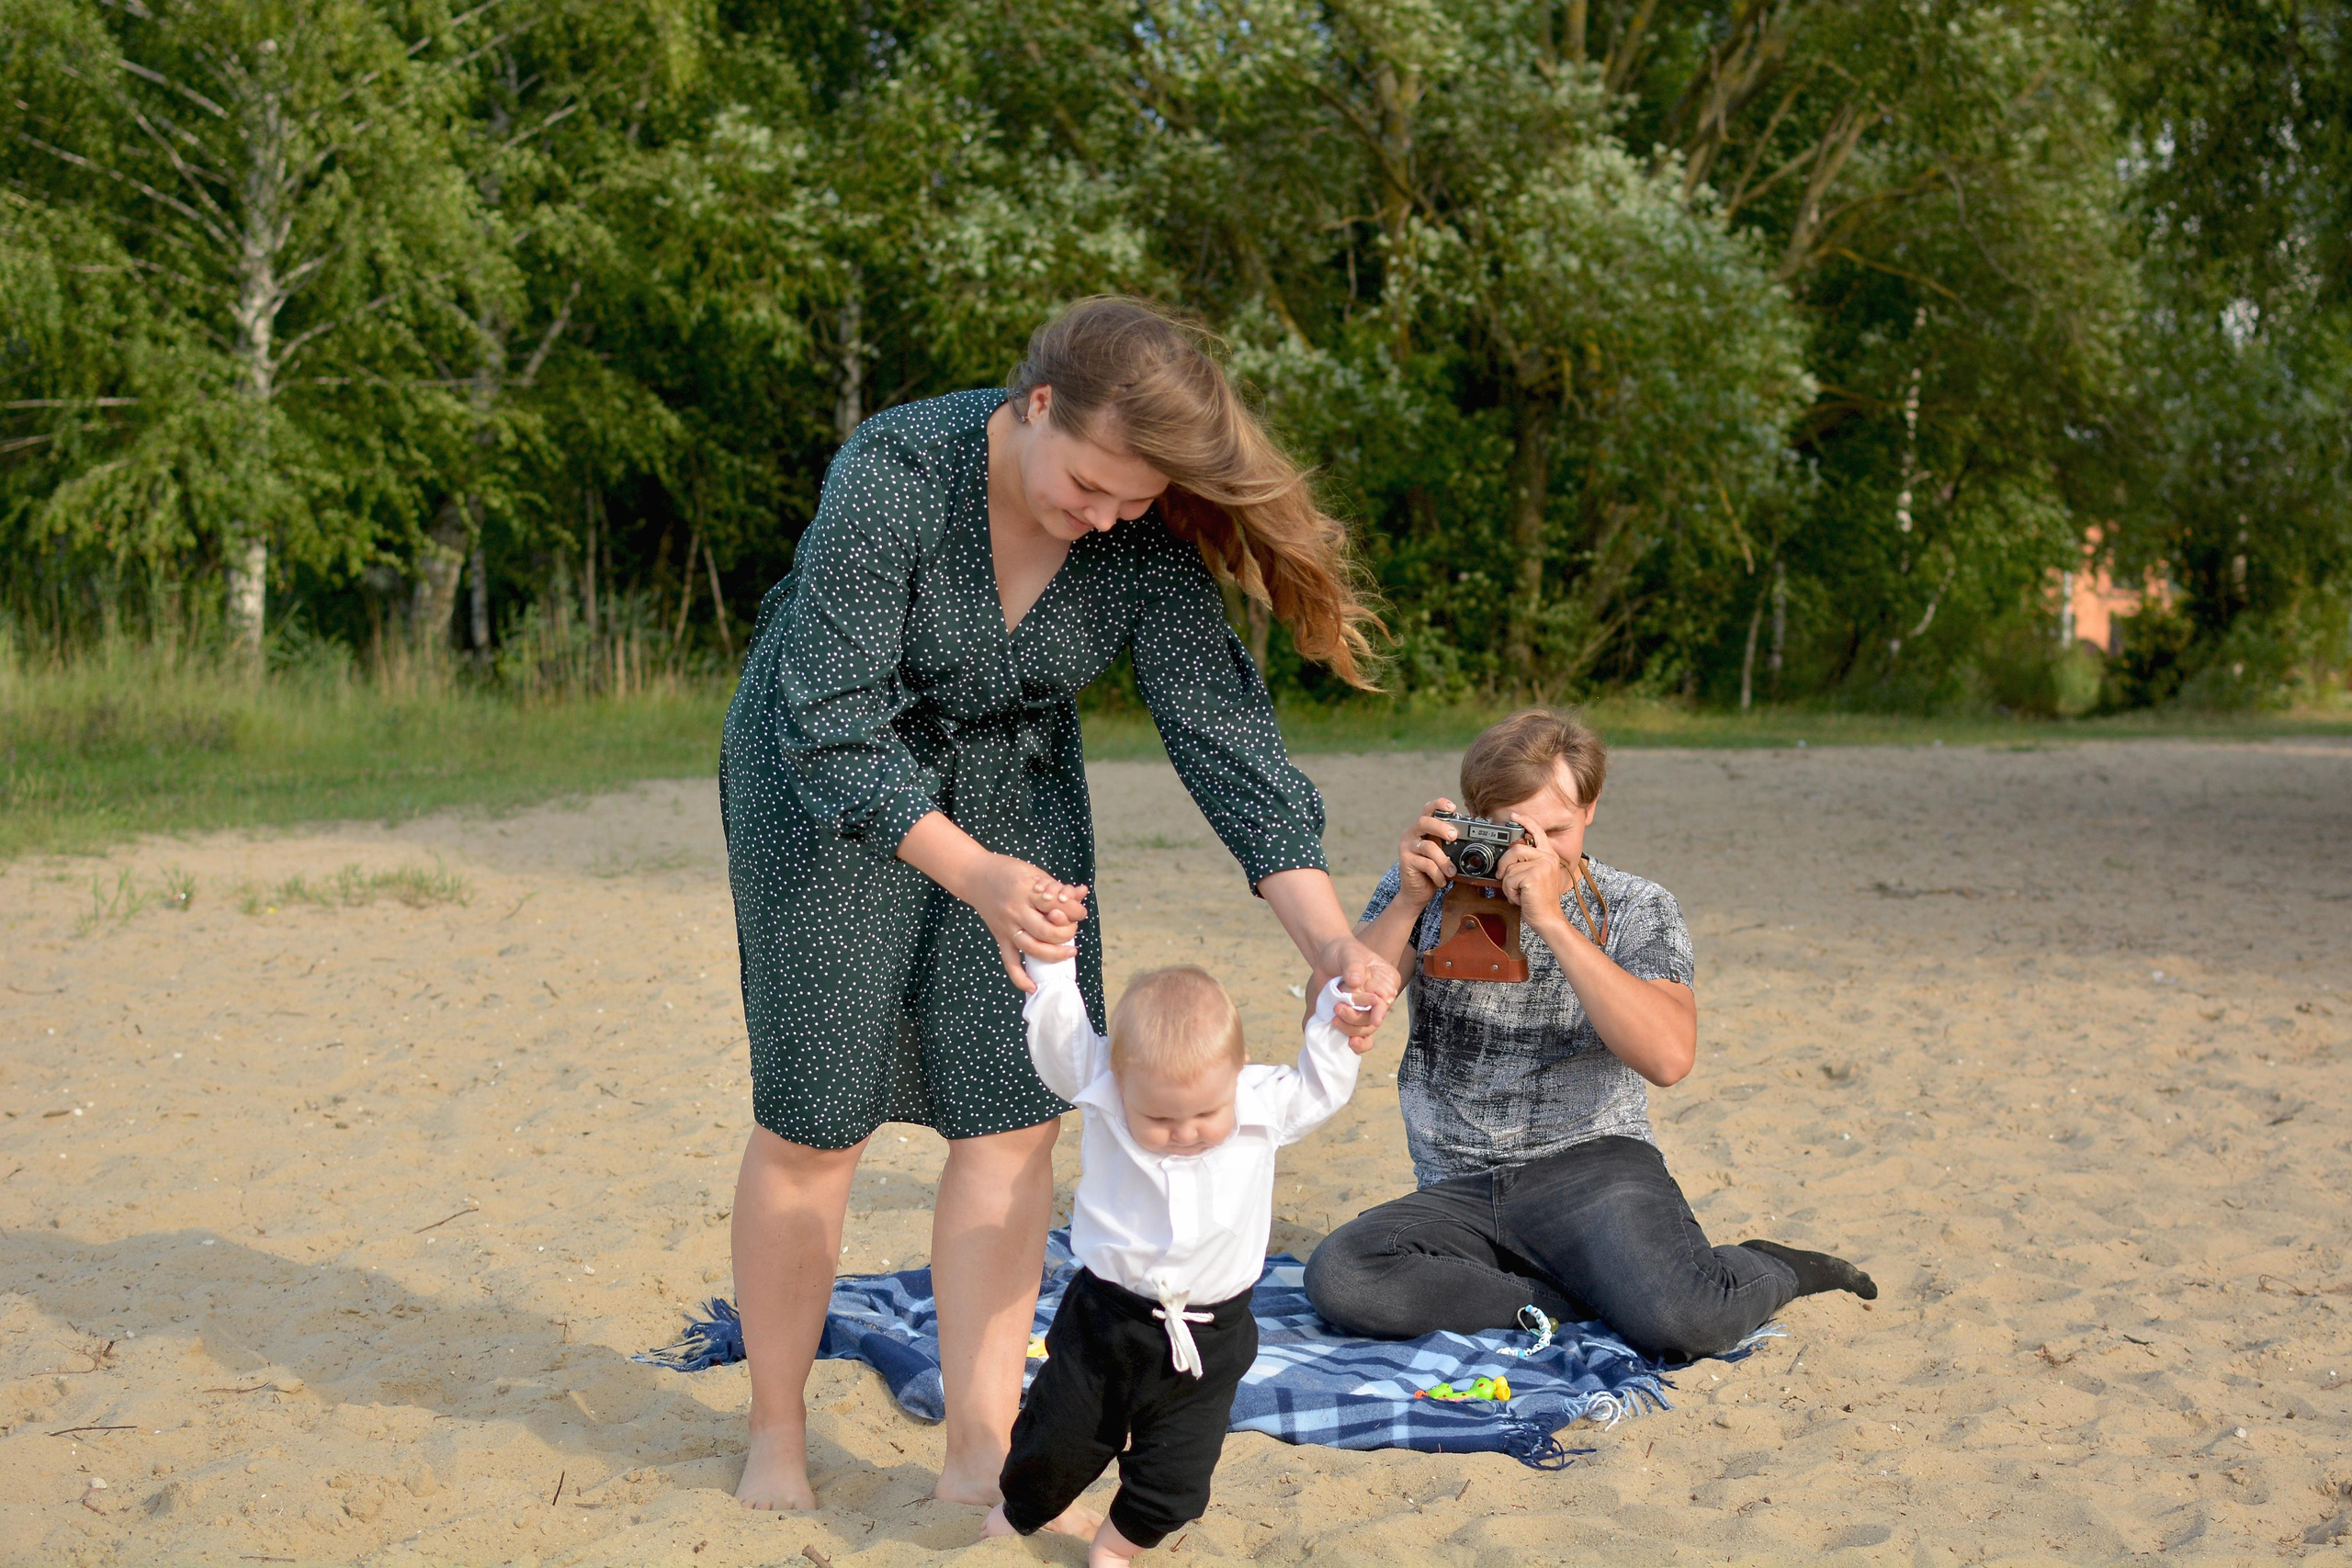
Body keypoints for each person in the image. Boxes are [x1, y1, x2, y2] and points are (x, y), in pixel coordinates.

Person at [718, 296, 1402, 1512]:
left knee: (1014, 1116)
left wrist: (1329, 941)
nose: (1104, 518)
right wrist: (974, 873)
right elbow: (829, 724)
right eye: (1089, 485)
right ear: (1035, 404)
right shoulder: (895, 473)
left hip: (1015, 783)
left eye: (1131, 502)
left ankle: (979, 1449)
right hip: (826, 783)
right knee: (818, 1119)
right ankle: (776, 1430)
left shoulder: (1136, 524)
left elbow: (1226, 741)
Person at [1304, 708, 1875, 1361]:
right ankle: (1583, 1296)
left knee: (1686, 1320)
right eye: (1514, 832)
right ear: (1473, 819)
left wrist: (1552, 920)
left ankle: (1773, 1266)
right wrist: (1407, 901)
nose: (1538, 852)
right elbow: (1327, 1015)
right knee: (1344, 1275)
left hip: (1594, 1172)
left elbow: (1669, 1057)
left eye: (1556, 830)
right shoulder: (1427, 888)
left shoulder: (1637, 905)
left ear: (1591, 808)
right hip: (1456, 1185)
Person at [985, 958, 1365, 1564]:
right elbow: (1060, 1042)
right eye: (1159, 1118)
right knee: (1053, 1447)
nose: (1186, 1131)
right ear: (1119, 1083)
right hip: (1106, 1322)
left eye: (1206, 1113)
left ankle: (1114, 1548)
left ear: (1237, 1074)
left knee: (1177, 1481)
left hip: (1209, 1337)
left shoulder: (1260, 1104)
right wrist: (1053, 967)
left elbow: (1322, 1088)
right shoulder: (1104, 1087)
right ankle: (1016, 1517)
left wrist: (1338, 1020)